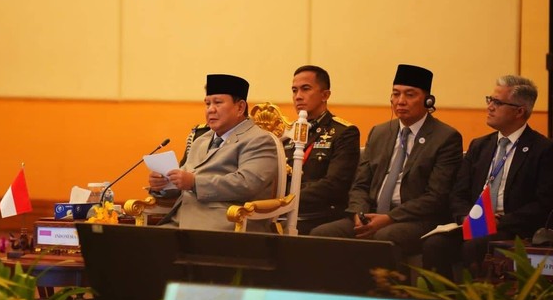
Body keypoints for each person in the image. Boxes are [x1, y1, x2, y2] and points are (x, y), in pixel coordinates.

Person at [311, 64, 463, 256]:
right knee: (322, 234)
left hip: (415, 219)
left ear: (427, 100)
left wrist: (389, 218)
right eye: (396, 94)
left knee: (384, 237)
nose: (400, 101)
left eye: (410, 95)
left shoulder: (445, 137)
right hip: (371, 214)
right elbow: (360, 184)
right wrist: (359, 213)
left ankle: (383, 287)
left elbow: (436, 197)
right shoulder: (379, 132)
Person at [422, 75, 553, 279]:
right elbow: (458, 192)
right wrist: (466, 216)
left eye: (498, 102)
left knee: (475, 247)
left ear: (520, 111)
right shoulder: (479, 145)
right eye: (489, 100)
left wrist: (501, 221)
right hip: (473, 222)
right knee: (434, 245)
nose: (490, 107)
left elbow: (543, 203)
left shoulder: (542, 149)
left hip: (511, 227)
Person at [149, 74, 279, 232]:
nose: (210, 110)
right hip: (180, 221)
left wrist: (194, 182)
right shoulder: (200, 141)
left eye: (218, 103)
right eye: (207, 104)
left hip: (225, 224)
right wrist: (163, 184)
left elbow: (246, 183)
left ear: (240, 107)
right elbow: (185, 180)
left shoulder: (259, 140)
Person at [285, 65, 360, 234]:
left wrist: (288, 198)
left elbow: (335, 184)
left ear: (325, 95)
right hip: (283, 210)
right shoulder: (287, 132)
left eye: (305, 89)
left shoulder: (344, 132)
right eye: (294, 90)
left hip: (318, 214)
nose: (298, 97)